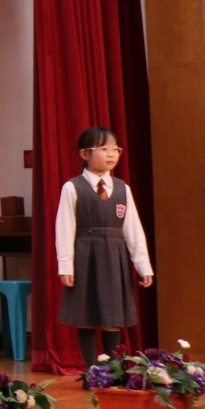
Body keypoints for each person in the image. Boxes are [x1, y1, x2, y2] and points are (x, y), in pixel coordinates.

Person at [55, 125, 154, 366]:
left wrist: (143, 266)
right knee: (86, 315)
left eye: (115, 149)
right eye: (103, 148)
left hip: (113, 257)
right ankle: (91, 371)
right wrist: (65, 265)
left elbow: (133, 230)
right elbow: (64, 228)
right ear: (84, 154)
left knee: (113, 315)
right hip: (85, 255)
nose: (111, 154)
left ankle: (112, 369)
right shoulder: (73, 187)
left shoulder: (122, 189)